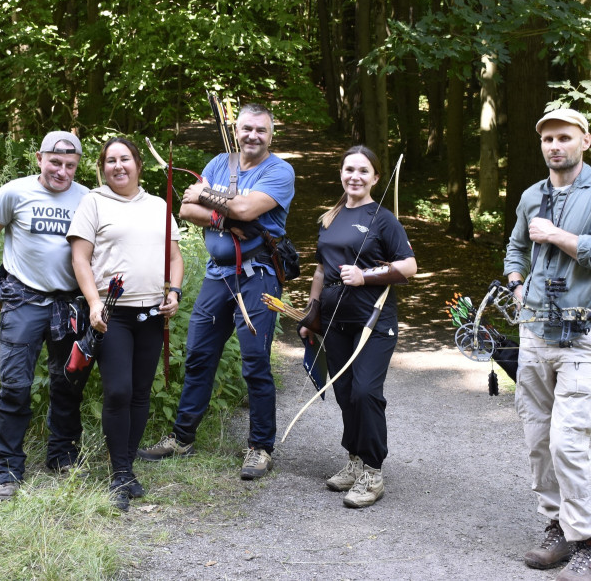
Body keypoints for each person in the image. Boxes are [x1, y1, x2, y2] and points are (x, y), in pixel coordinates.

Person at [503, 108, 591, 581]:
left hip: (583, 335)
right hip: (533, 332)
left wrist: (557, 235)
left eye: (564, 137)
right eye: (548, 139)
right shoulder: (531, 195)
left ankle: (589, 546)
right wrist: (516, 281)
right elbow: (516, 247)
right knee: (538, 439)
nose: (555, 146)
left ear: (585, 141)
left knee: (567, 441)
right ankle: (557, 528)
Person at [138, 103, 295, 480]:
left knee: (255, 360)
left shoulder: (279, 171)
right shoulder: (219, 164)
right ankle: (182, 438)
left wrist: (212, 200)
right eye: (247, 128)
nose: (253, 135)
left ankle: (260, 447)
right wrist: (225, 216)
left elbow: (246, 208)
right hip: (218, 275)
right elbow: (186, 208)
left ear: (271, 135)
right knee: (199, 354)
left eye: (261, 130)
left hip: (258, 274)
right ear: (236, 130)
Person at [0, 131, 92, 502]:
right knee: (15, 386)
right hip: (22, 301)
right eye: (55, 162)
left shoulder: (87, 199)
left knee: (67, 382)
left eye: (70, 165)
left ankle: (62, 456)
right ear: (39, 158)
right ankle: (8, 470)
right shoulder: (15, 193)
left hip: (68, 305)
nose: (62, 171)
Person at [67, 137, 183, 511]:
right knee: (118, 391)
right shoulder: (93, 202)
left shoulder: (159, 205)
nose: (118, 166)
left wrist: (175, 292)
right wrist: (94, 302)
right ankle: (119, 473)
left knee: (140, 392)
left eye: (125, 159)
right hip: (112, 315)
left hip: (152, 314)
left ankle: (126, 468)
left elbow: (174, 258)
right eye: (111, 160)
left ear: (138, 164)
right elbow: (80, 258)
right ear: (103, 168)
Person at [298, 145, 416, 508]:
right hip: (335, 320)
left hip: (373, 320)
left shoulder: (383, 219)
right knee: (345, 392)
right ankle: (354, 460)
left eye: (363, 171)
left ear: (375, 178)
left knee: (366, 392)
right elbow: (321, 271)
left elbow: (409, 266)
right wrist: (311, 315)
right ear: (341, 173)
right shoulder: (329, 218)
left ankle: (373, 471)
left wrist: (365, 275)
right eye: (349, 169)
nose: (355, 176)